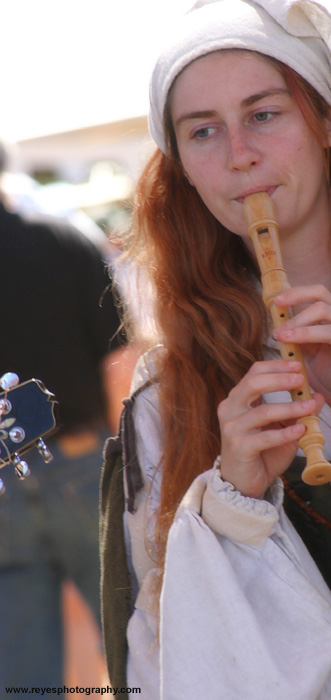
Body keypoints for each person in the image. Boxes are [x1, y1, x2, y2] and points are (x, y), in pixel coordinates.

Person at [100, 1, 331, 698]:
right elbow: (166, 656)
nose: (239, 156)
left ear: (327, 120)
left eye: (264, 114)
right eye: (203, 131)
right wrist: (230, 505)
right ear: (183, 167)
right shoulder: (168, 396)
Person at [0, 142, 132, 694]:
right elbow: (119, 361)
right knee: (136, 640)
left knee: (20, 671)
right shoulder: (63, 240)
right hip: (81, 462)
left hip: (4, 481)